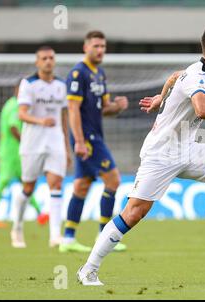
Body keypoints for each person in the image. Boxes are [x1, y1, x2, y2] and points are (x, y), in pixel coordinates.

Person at [77, 24, 205, 285]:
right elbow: (203, 110)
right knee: (133, 213)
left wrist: (161, 97)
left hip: (187, 148)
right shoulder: (198, 76)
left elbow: (174, 76)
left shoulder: (202, 73)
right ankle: (88, 269)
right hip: (162, 153)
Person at [59, 31, 129, 253]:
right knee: (113, 180)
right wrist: (78, 141)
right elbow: (72, 109)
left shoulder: (100, 74)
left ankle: (68, 238)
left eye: (103, 47)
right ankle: (105, 235)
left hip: (95, 135)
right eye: (96, 46)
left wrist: (117, 106)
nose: (100, 50)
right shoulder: (78, 74)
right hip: (86, 137)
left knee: (82, 185)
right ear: (85, 47)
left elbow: (104, 109)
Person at [11, 46, 71, 248]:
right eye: (44, 58)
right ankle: (17, 227)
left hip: (55, 142)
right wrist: (40, 121)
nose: (48, 61)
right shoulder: (28, 84)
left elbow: (64, 116)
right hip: (32, 143)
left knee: (56, 185)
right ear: (37, 62)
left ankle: (55, 236)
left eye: (51, 58)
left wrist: (67, 146)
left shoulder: (62, 85)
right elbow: (22, 114)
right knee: (28, 187)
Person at [0, 82, 49, 228]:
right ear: (17, 90)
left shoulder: (10, 103)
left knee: (26, 183)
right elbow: (13, 127)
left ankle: (40, 213)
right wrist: (25, 142)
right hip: (11, 153)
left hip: (14, 153)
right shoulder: (15, 105)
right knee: (3, 182)